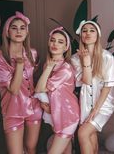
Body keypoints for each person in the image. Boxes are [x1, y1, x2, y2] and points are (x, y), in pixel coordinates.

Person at [0, 11, 42, 154]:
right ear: (7, 32)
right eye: (14, 28)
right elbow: (13, 89)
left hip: (34, 107)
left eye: (22, 28)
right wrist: (19, 65)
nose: (19, 31)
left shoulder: (33, 53)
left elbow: (35, 81)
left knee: (31, 149)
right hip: (12, 110)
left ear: (27, 32)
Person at [71, 20, 114, 154]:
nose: (88, 33)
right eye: (84, 31)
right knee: (90, 136)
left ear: (98, 35)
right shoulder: (75, 58)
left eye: (92, 30)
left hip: (103, 105)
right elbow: (87, 80)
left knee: (83, 133)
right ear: (81, 36)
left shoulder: (107, 57)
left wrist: (95, 110)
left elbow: (108, 87)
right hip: (84, 104)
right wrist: (85, 61)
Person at [35, 26, 80, 154]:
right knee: (66, 151)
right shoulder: (47, 64)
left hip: (68, 115)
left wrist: (49, 68)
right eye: (53, 40)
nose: (55, 44)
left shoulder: (65, 69)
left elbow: (39, 88)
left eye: (60, 42)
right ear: (49, 43)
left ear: (66, 47)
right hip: (56, 113)